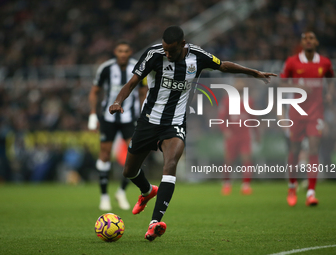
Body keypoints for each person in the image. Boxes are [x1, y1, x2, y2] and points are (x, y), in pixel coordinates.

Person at [109, 26, 276, 241]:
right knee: (129, 171)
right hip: (148, 121)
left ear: (182, 44)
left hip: (175, 123)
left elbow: (223, 66)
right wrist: (117, 102)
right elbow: (132, 82)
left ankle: (154, 222)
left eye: (171, 50)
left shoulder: (197, 56)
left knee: (170, 165)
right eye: (165, 49)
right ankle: (148, 191)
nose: (167, 54)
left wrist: (253, 72)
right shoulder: (154, 54)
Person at [88, 40, 147, 211]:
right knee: (105, 154)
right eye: (120, 50)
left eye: (126, 51)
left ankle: (121, 191)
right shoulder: (106, 68)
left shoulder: (139, 67)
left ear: (130, 52)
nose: (123, 54)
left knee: (134, 155)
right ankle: (104, 196)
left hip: (130, 118)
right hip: (108, 118)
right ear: (115, 52)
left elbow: (143, 92)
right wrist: (93, 113)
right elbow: (95, 91)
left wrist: (143, 114)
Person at [280, 31, 334, 207]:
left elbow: (331, 78)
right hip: (297, 113)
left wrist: (330, 94)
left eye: (311, 38)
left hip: (315, 113)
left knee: (313, 149)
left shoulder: (324, 62)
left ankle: (311, 193)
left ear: (316, 42)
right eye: (305, 39)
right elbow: (282, 82)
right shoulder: (292, 62)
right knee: (295, 150)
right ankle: (292, 186)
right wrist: (298, 85)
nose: (308, 41)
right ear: (302, 43)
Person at [220, 78, 260, 195]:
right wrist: (225, 130)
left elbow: (253, 119)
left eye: (242, 83)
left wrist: (256, 133)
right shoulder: (227, 100)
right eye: (238, 83)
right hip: (232, 135)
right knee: (229, 160)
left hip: (245, 134)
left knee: (246, 158)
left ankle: (246, 185)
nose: (240, 85)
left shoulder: (249, 101)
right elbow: (221, 118)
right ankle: (226, 184)